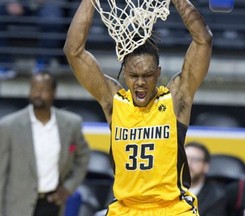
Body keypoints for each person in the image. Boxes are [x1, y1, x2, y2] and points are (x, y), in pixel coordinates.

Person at [64, 0, 212, 214]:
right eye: (133, 76)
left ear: (158, 73)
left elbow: (204, 40)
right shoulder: (114, 102)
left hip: (171, 208)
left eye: (147, 76)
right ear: (124, 73)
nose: (140, 82)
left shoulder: (174, 100)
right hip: (126, 208)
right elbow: (73, 51)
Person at [0, 72, 90, 216]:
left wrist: (68, 188)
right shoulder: (8, 126)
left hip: (53, 203)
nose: (38, 94)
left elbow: (83, 158)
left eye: (44, 89)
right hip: (17, 206)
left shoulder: (71, 124)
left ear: (54, 92)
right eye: (34, 88)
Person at [0, 0, 66, 77]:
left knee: (52, 19)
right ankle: (5, 64)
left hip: (48, 5)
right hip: (18, 4)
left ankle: (42, 64)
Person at [185, 141, 227, 216]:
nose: (188, 163)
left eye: (195, 160)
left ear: (206, 166)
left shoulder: (217, 196)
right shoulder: (166, 190)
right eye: (184, 158)